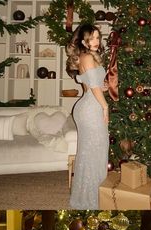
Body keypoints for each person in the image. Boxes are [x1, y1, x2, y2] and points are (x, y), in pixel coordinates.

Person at [65, 23, 109, 209]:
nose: (97, 41)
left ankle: (90, 195)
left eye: (98, 37)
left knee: (92, 152)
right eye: (92, 38)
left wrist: (102, 88)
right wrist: (105, 106)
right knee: (94, 153)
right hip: (91, 108)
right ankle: (89, 199)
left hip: (89, 105)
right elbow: (92, 87)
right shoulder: (87, 57)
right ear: (84, 40)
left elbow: (90, 84)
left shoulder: (87, 57)